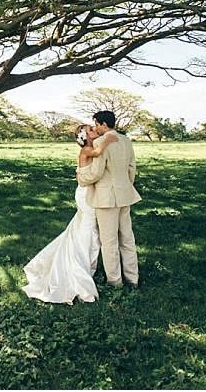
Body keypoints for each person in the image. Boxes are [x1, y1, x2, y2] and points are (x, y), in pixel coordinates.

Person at [22, 124, 102, 304]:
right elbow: (98, 154)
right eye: (91, 130)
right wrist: (111, 139)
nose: (94, 131)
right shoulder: (87, 150)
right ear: (85, 137)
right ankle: (78, 269)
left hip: (89, 193)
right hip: (86, 195)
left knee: (83, 229)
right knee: (87, 230)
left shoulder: (90, 148)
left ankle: (82, 263)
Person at [77, 110, 141, 288]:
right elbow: (131, 168)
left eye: (96, 124)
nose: (96, 128)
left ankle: (115, 282)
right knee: (127, 238)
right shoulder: (126, 140)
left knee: (109, 241)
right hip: (125, 193)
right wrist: (125, 185)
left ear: (104, 125)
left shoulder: (99, 142)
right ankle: (133, 278)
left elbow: (97, 172)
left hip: (106, 198)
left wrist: (81, 178)